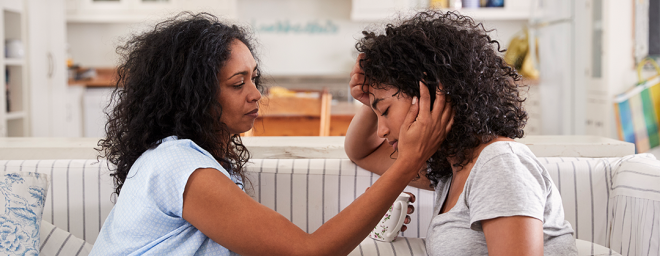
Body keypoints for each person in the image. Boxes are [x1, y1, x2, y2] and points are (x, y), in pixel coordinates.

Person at [90, 12, 453, 255]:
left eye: (254, 78)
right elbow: (307, 252)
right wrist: (407, 162)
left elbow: (359, 152)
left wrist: (368, 105)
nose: (255, 94)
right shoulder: (180, 167)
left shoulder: (189, 160)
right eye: (238, 83)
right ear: (194, 95)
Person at [344, 10, 578, 256]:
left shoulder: (499, 164)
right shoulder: (452, 170)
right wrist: (372, 101)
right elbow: (361, 152)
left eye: (386, 111)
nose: (381, 131)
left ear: (429, 94)